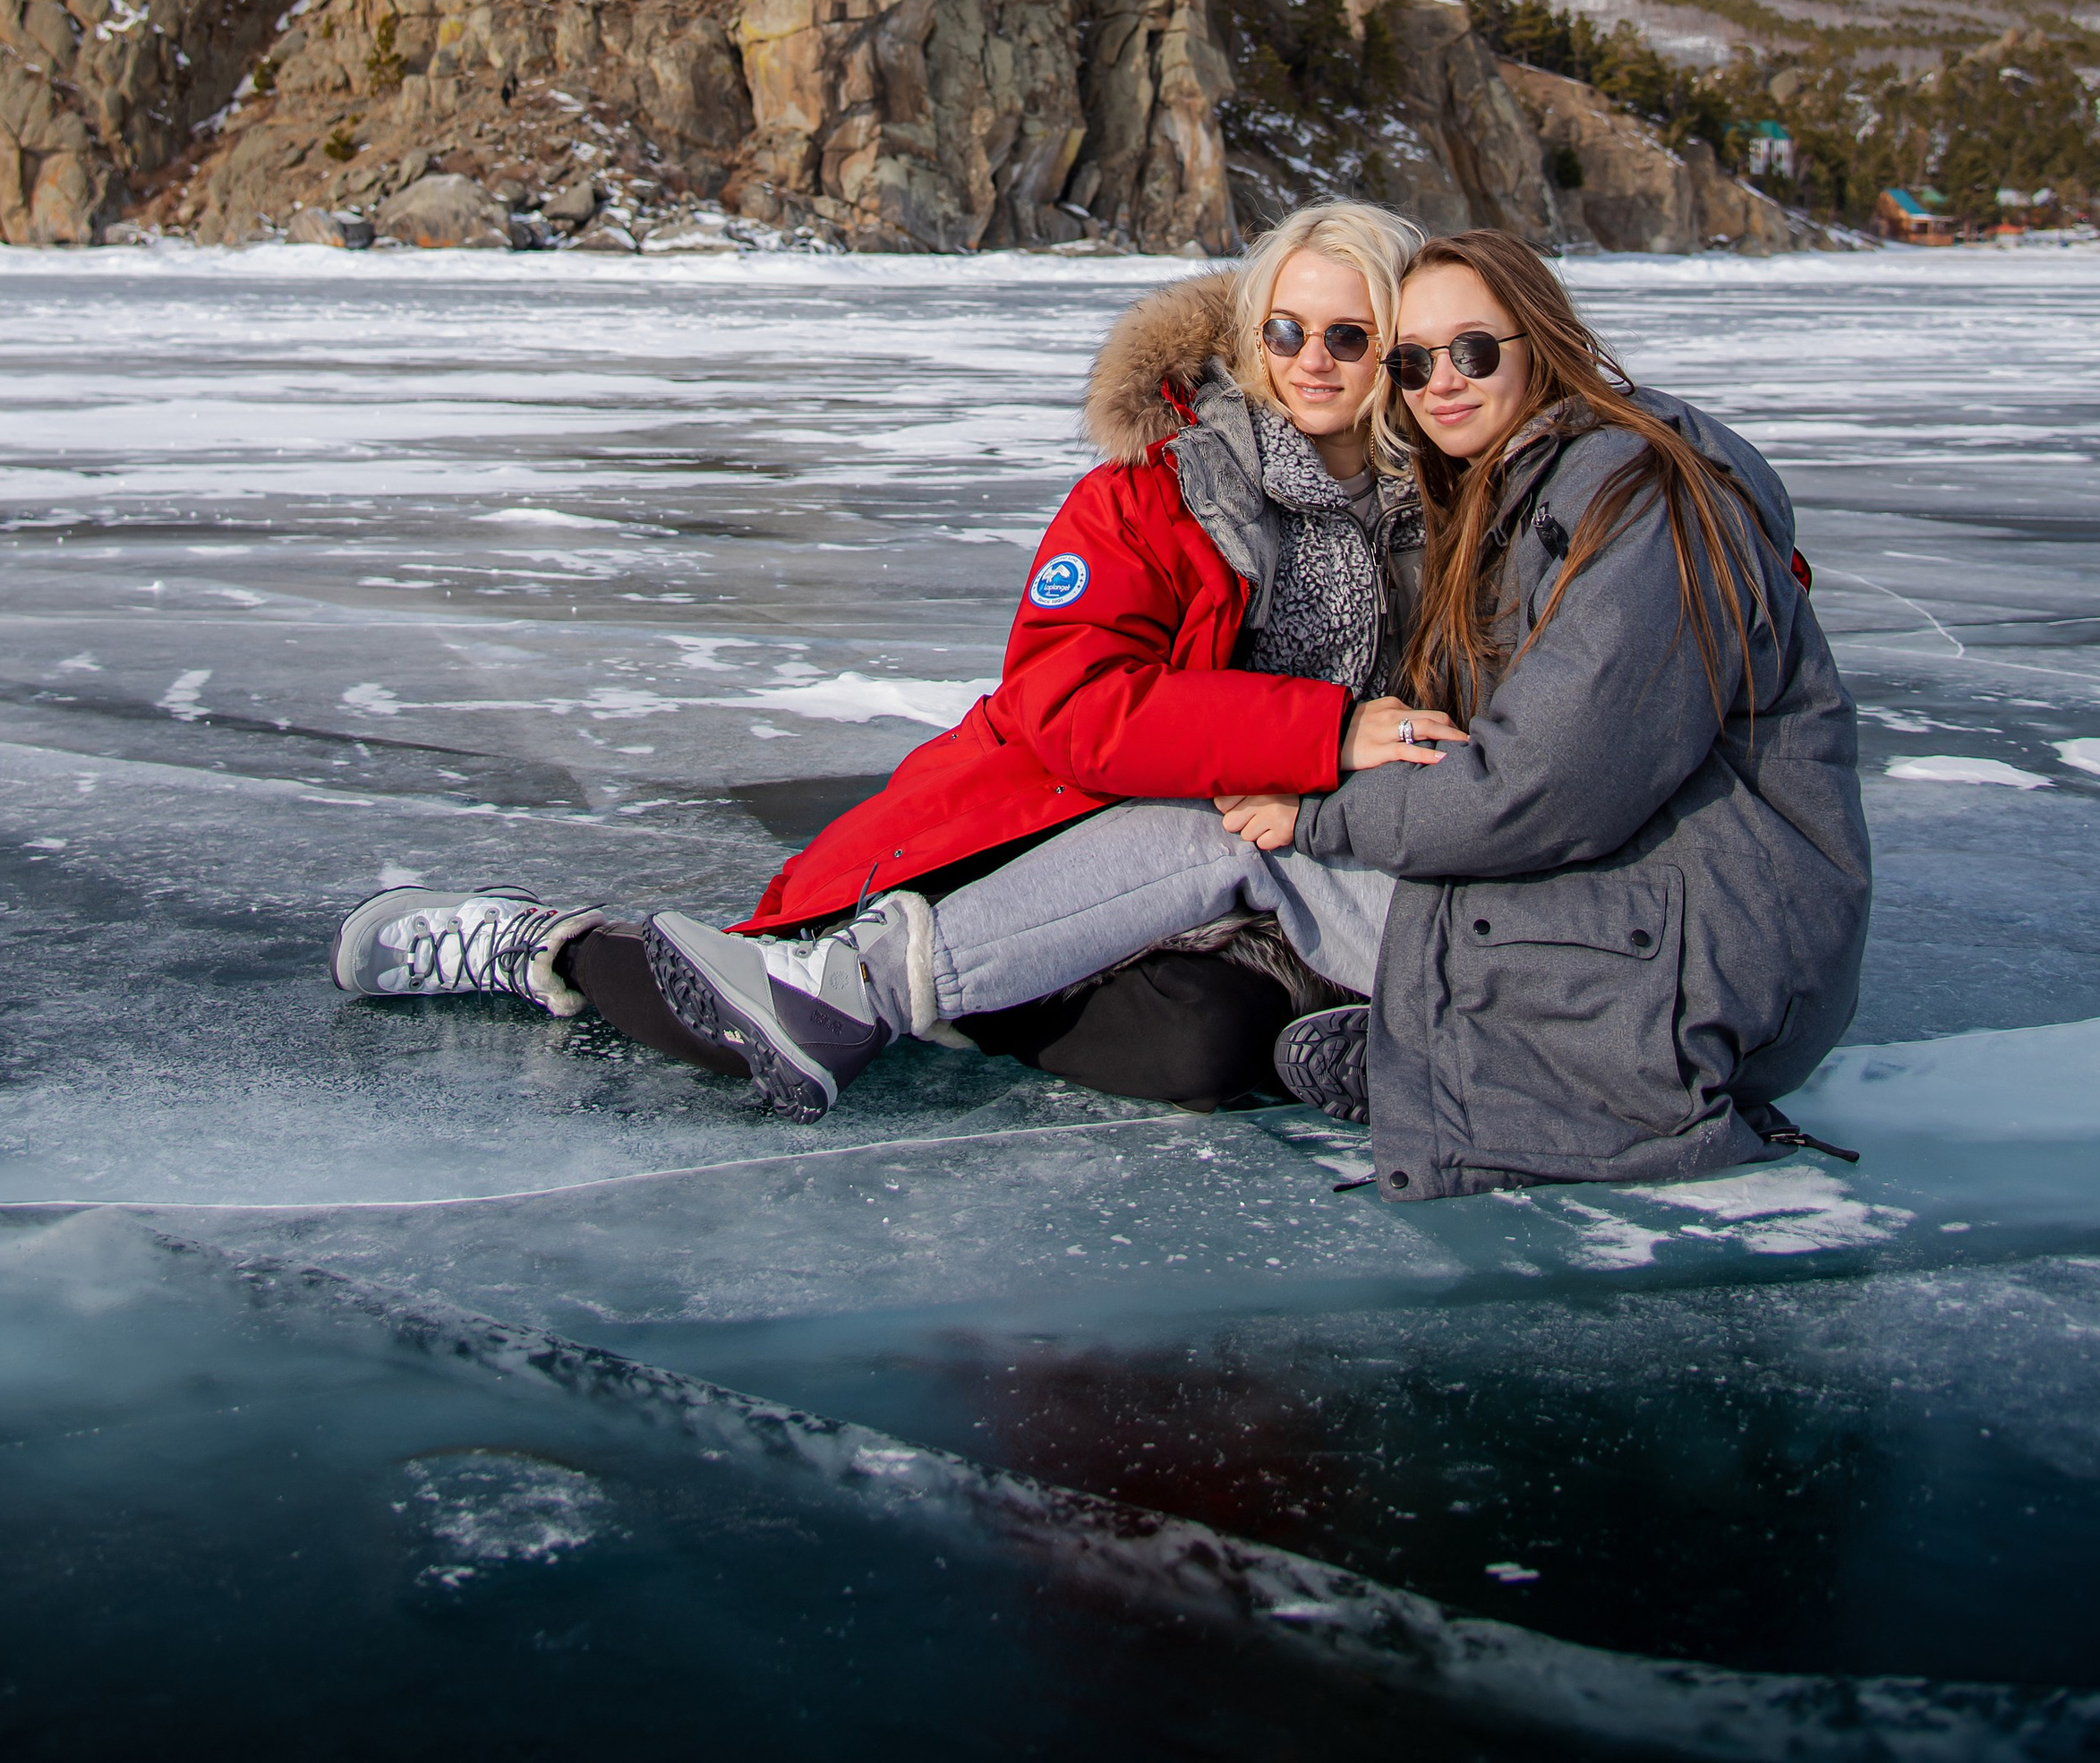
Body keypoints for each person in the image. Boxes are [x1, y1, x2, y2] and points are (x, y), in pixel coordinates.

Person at [726, 227, 1870, 1198]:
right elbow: (1070, 703)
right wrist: (1319, 749)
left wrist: (1309, 804)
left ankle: (860, 988)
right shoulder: (1264, 490)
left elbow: (1537, 786)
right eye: (1413, 359)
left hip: (1678, 961)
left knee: (1221, 876)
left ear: (1548, 343)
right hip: (1633, 915)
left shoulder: (1616, 496)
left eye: (1445, 350)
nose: (1433, 380)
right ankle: (1428, 1029)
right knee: (1209, 982)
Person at [331, 199, 1455, 1107]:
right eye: (1286, 331)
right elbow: (1071, 705)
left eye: (1347, 337)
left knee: (1214, 1050)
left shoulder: (1444, 517)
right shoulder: (1154, 492)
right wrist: (1321, 733)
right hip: (1046, 827)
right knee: (764, 1029)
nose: (1312, 360)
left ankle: (982, 992)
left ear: (1394, 348)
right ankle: (551, 943)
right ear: (1255, 334)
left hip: (1268, 866)